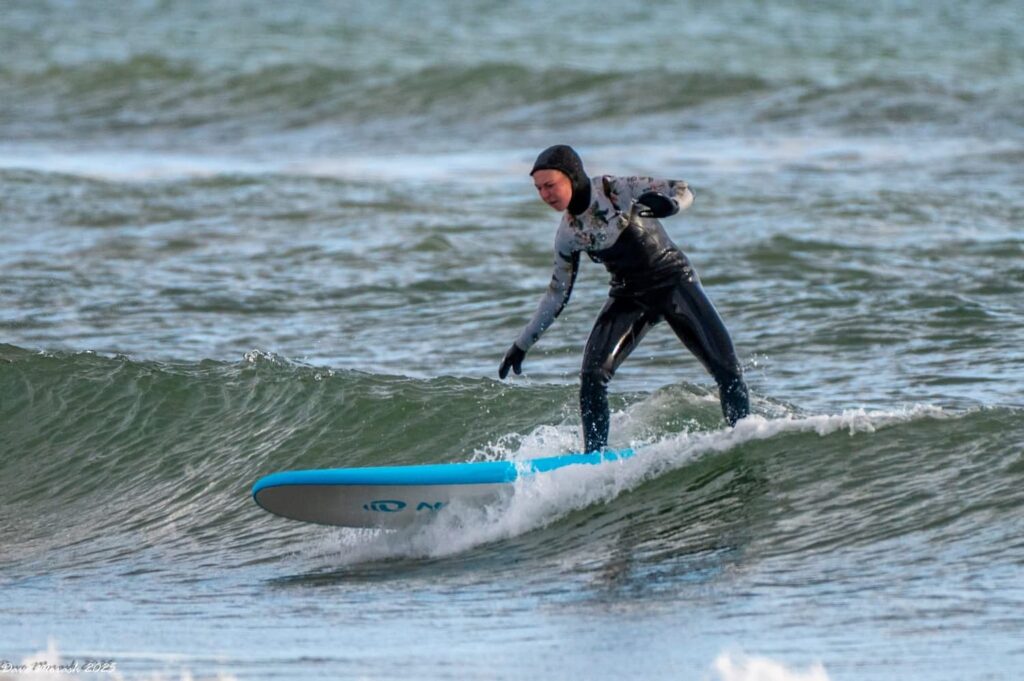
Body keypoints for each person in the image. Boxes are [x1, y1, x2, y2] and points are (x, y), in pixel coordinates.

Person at [498, 144, 750, 453]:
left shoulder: (615, 189)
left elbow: (684, 189)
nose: (545, 194)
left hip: (674, 282)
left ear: (572, 176)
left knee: (726, 368)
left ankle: (744, 437)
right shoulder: (569, 234)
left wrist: (671, 206)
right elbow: (557, 293)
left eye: (550, 185)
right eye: (539, 189)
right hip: (630, 296)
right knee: (592, 376)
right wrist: (522, 344)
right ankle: (594, 459)